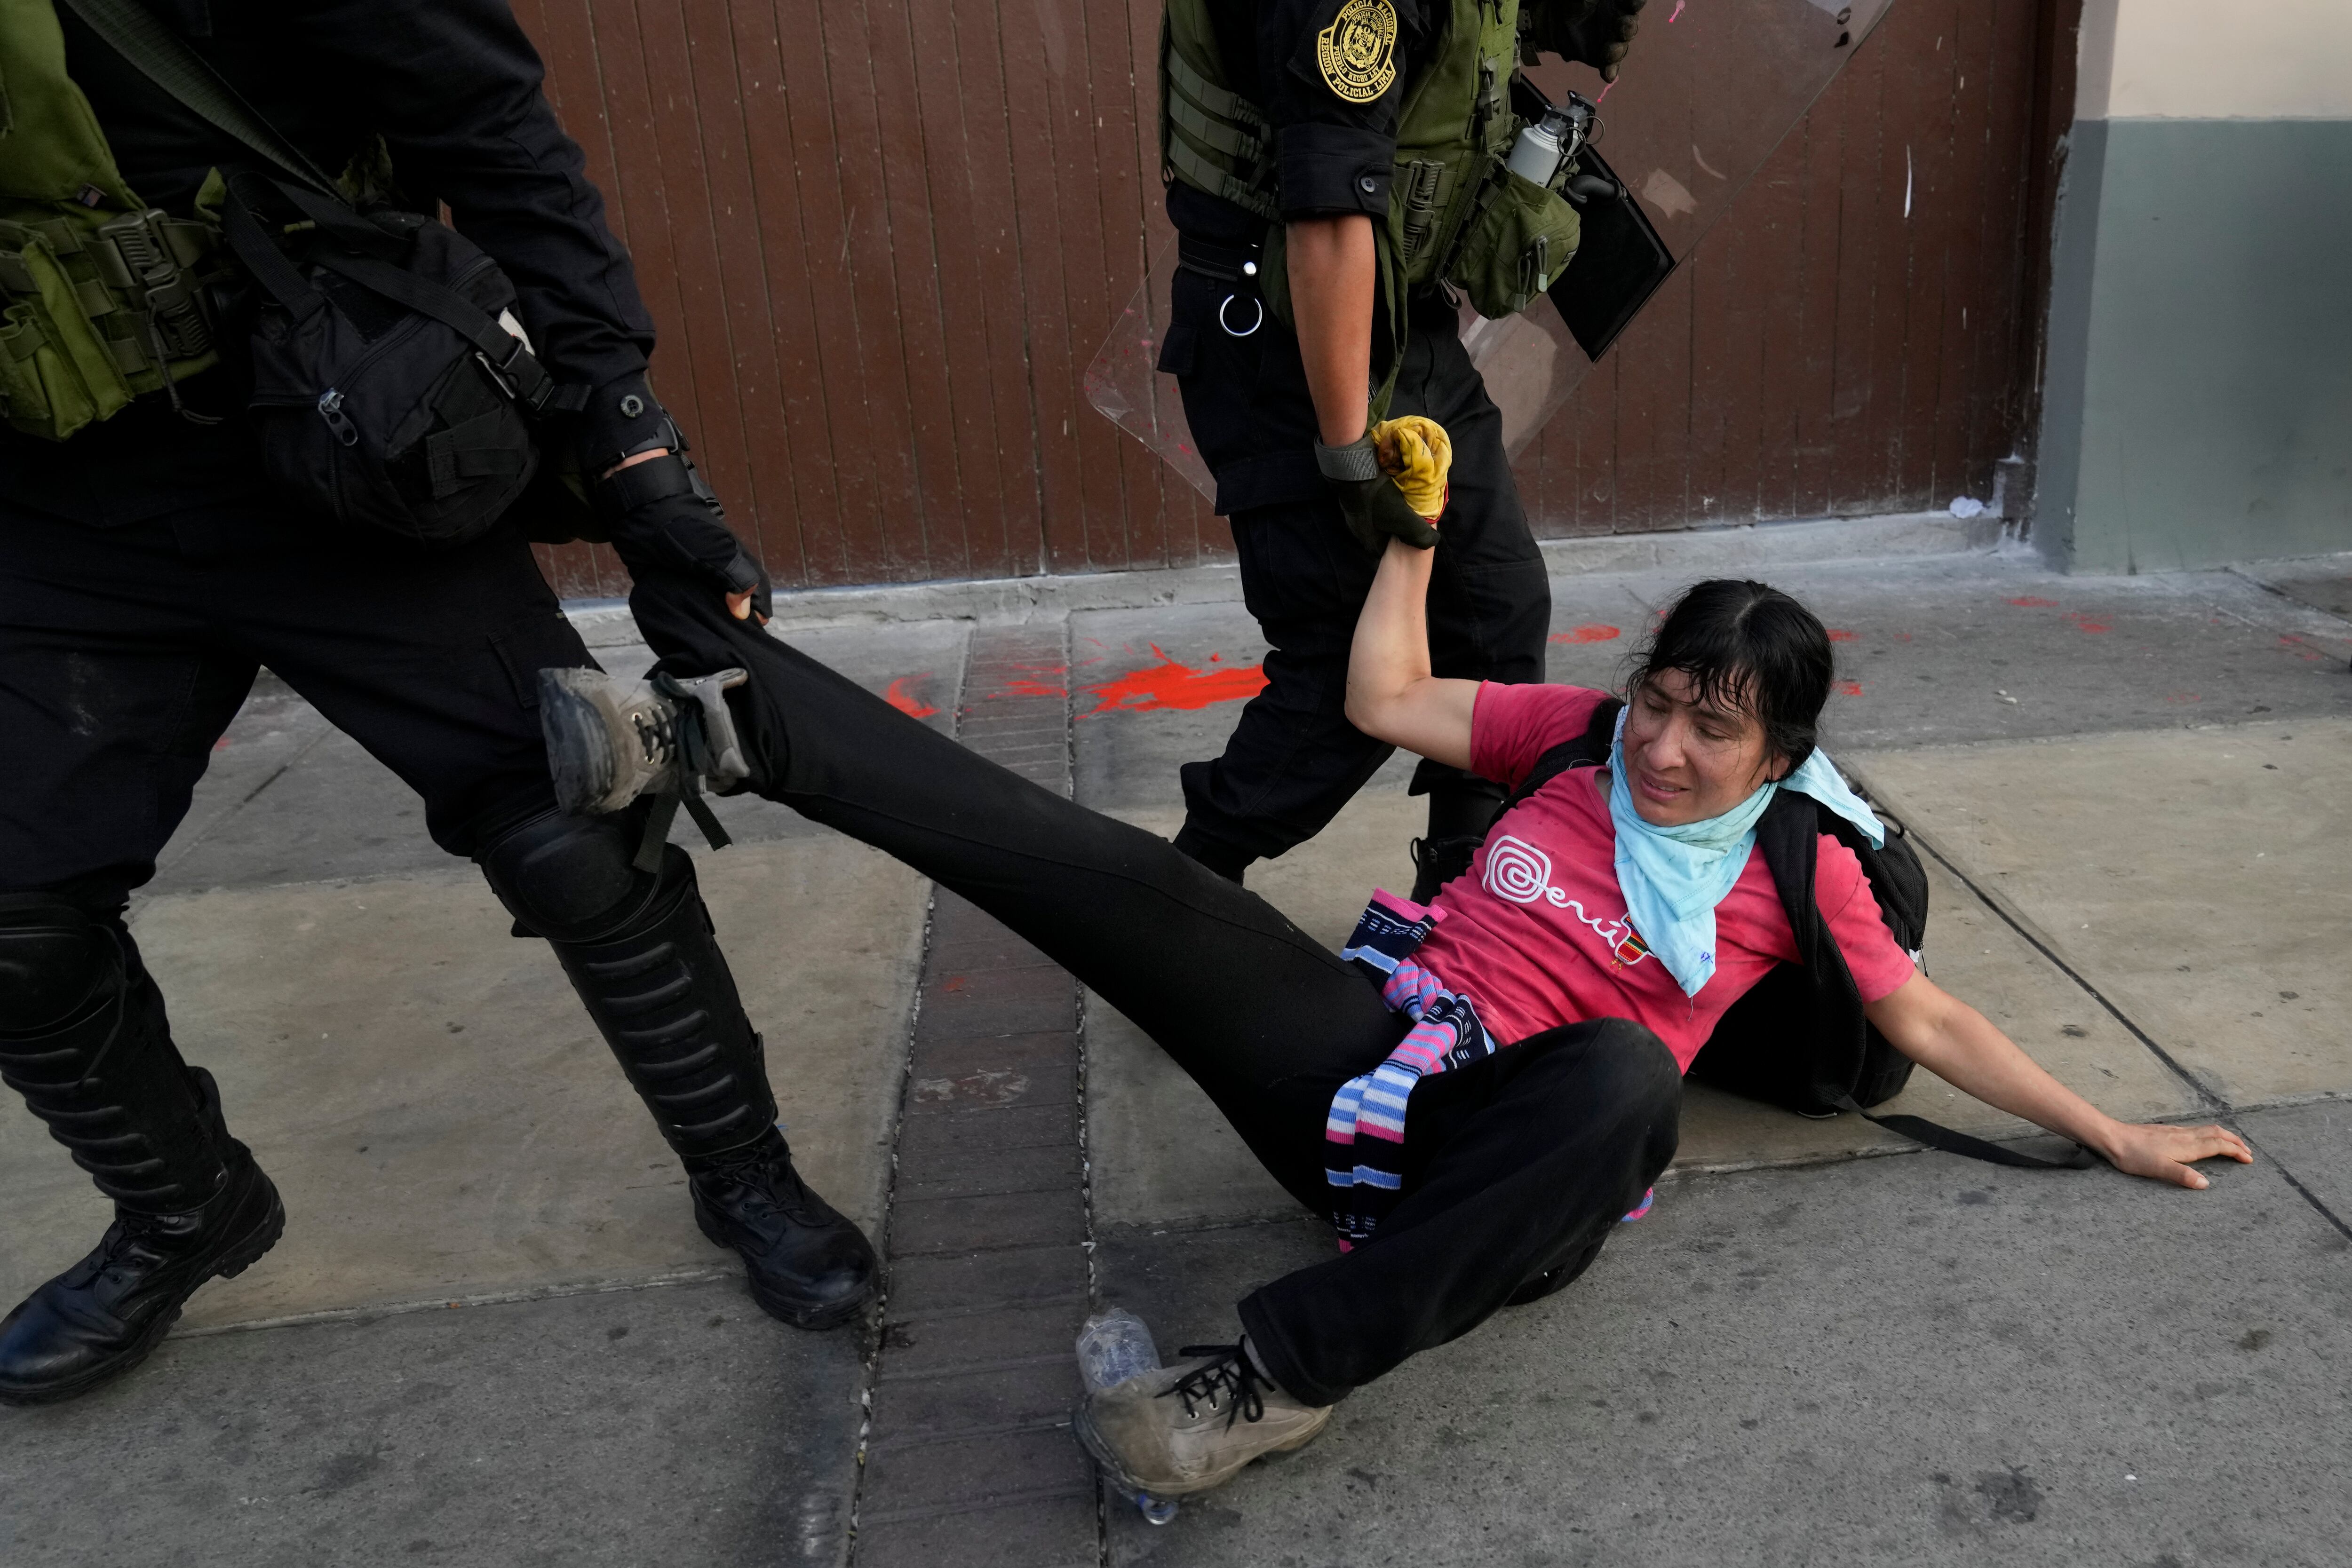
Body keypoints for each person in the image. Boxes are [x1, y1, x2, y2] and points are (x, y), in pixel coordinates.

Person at [539, 523, 2253, 1502]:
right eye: (1660, 701)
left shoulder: (1806, 869)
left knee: (1617, 1089)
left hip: (1508, 1180)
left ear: (1782, 753)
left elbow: (1929, 1025)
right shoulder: (1573, 741)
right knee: (1132, 882)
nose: (1665, 748)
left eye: (1713, 728)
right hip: (1363, 1063)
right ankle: (736, 733)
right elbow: (1380, 694)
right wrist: (1413, 536)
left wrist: (2110, 1128)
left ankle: (1258, 1385)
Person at [0, 0, 875, 1408]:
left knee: (574, 823)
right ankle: (184, 1207)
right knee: (13, 925)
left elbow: (497, 134)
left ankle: (744, 1171)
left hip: (325, 431)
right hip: (57, 500)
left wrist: (630, 439)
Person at [1153, 0, 1647, 898]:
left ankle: (1468, 896)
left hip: (1401, 315)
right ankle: (1172, 900)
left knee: (1495, 611)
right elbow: (1327, 220)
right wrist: (1346, 455)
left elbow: (1440, 67)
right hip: (1291, 330)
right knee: (1349, 654)